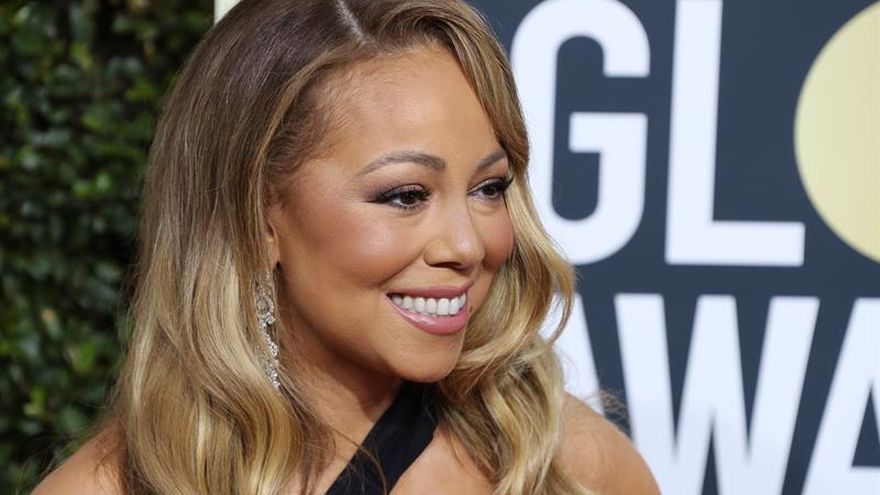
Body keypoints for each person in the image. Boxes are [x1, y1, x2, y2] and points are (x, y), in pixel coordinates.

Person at [35, 0, 659, 493]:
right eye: (406, 195)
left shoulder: (567, 465)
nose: (468, 245)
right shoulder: (110, 487)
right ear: (257, 216)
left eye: (489, 188)